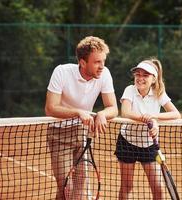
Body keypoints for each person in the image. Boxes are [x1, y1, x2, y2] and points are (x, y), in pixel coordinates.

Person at [45, 36, 118, 199]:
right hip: (59, 134)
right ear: (83, 62)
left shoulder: (105, 74)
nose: (102, 66)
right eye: (97, 62)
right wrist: (78, 112)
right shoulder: (62, 72)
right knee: (66, 187)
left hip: (82, 133)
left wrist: (102, 114)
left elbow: (113, 108)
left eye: (103, 61)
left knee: (81, 183)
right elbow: (50, 108)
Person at [115, 58, 181, 200]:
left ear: (153, 79)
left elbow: (176, 114)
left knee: (158, 188)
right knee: (127, 186)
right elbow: (125, 112)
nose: (140, 78)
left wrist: (154, 118)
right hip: (127, 143)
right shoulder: (130, 90)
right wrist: (145, 119)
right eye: (138, 74)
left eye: (145, 75)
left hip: (149, 145)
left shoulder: (159, 93)